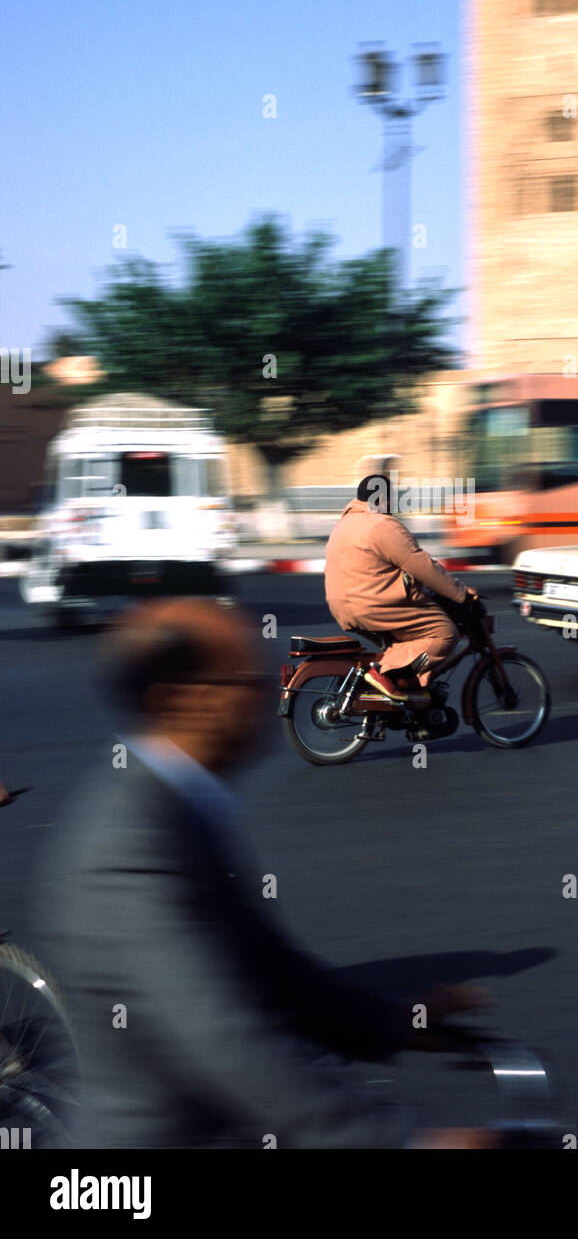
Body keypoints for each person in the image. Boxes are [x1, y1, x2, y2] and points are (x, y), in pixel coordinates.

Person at [41, 598, 493, 1148]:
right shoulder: (130, 844)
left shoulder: (184, 806)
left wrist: (396, 1025)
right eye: (243, 681)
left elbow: (275, 973)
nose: (262, 697)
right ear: (178, 701)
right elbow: (222, 1039)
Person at [325, 475, 477, 701]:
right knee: (445, 633)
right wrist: (460, 594)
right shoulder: (381, 525)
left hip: (342, 607)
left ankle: (411, 698)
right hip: (374, 604)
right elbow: (421, 565)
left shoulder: (344, 524)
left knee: (406, 644)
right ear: (383, 499)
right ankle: (383, 673)